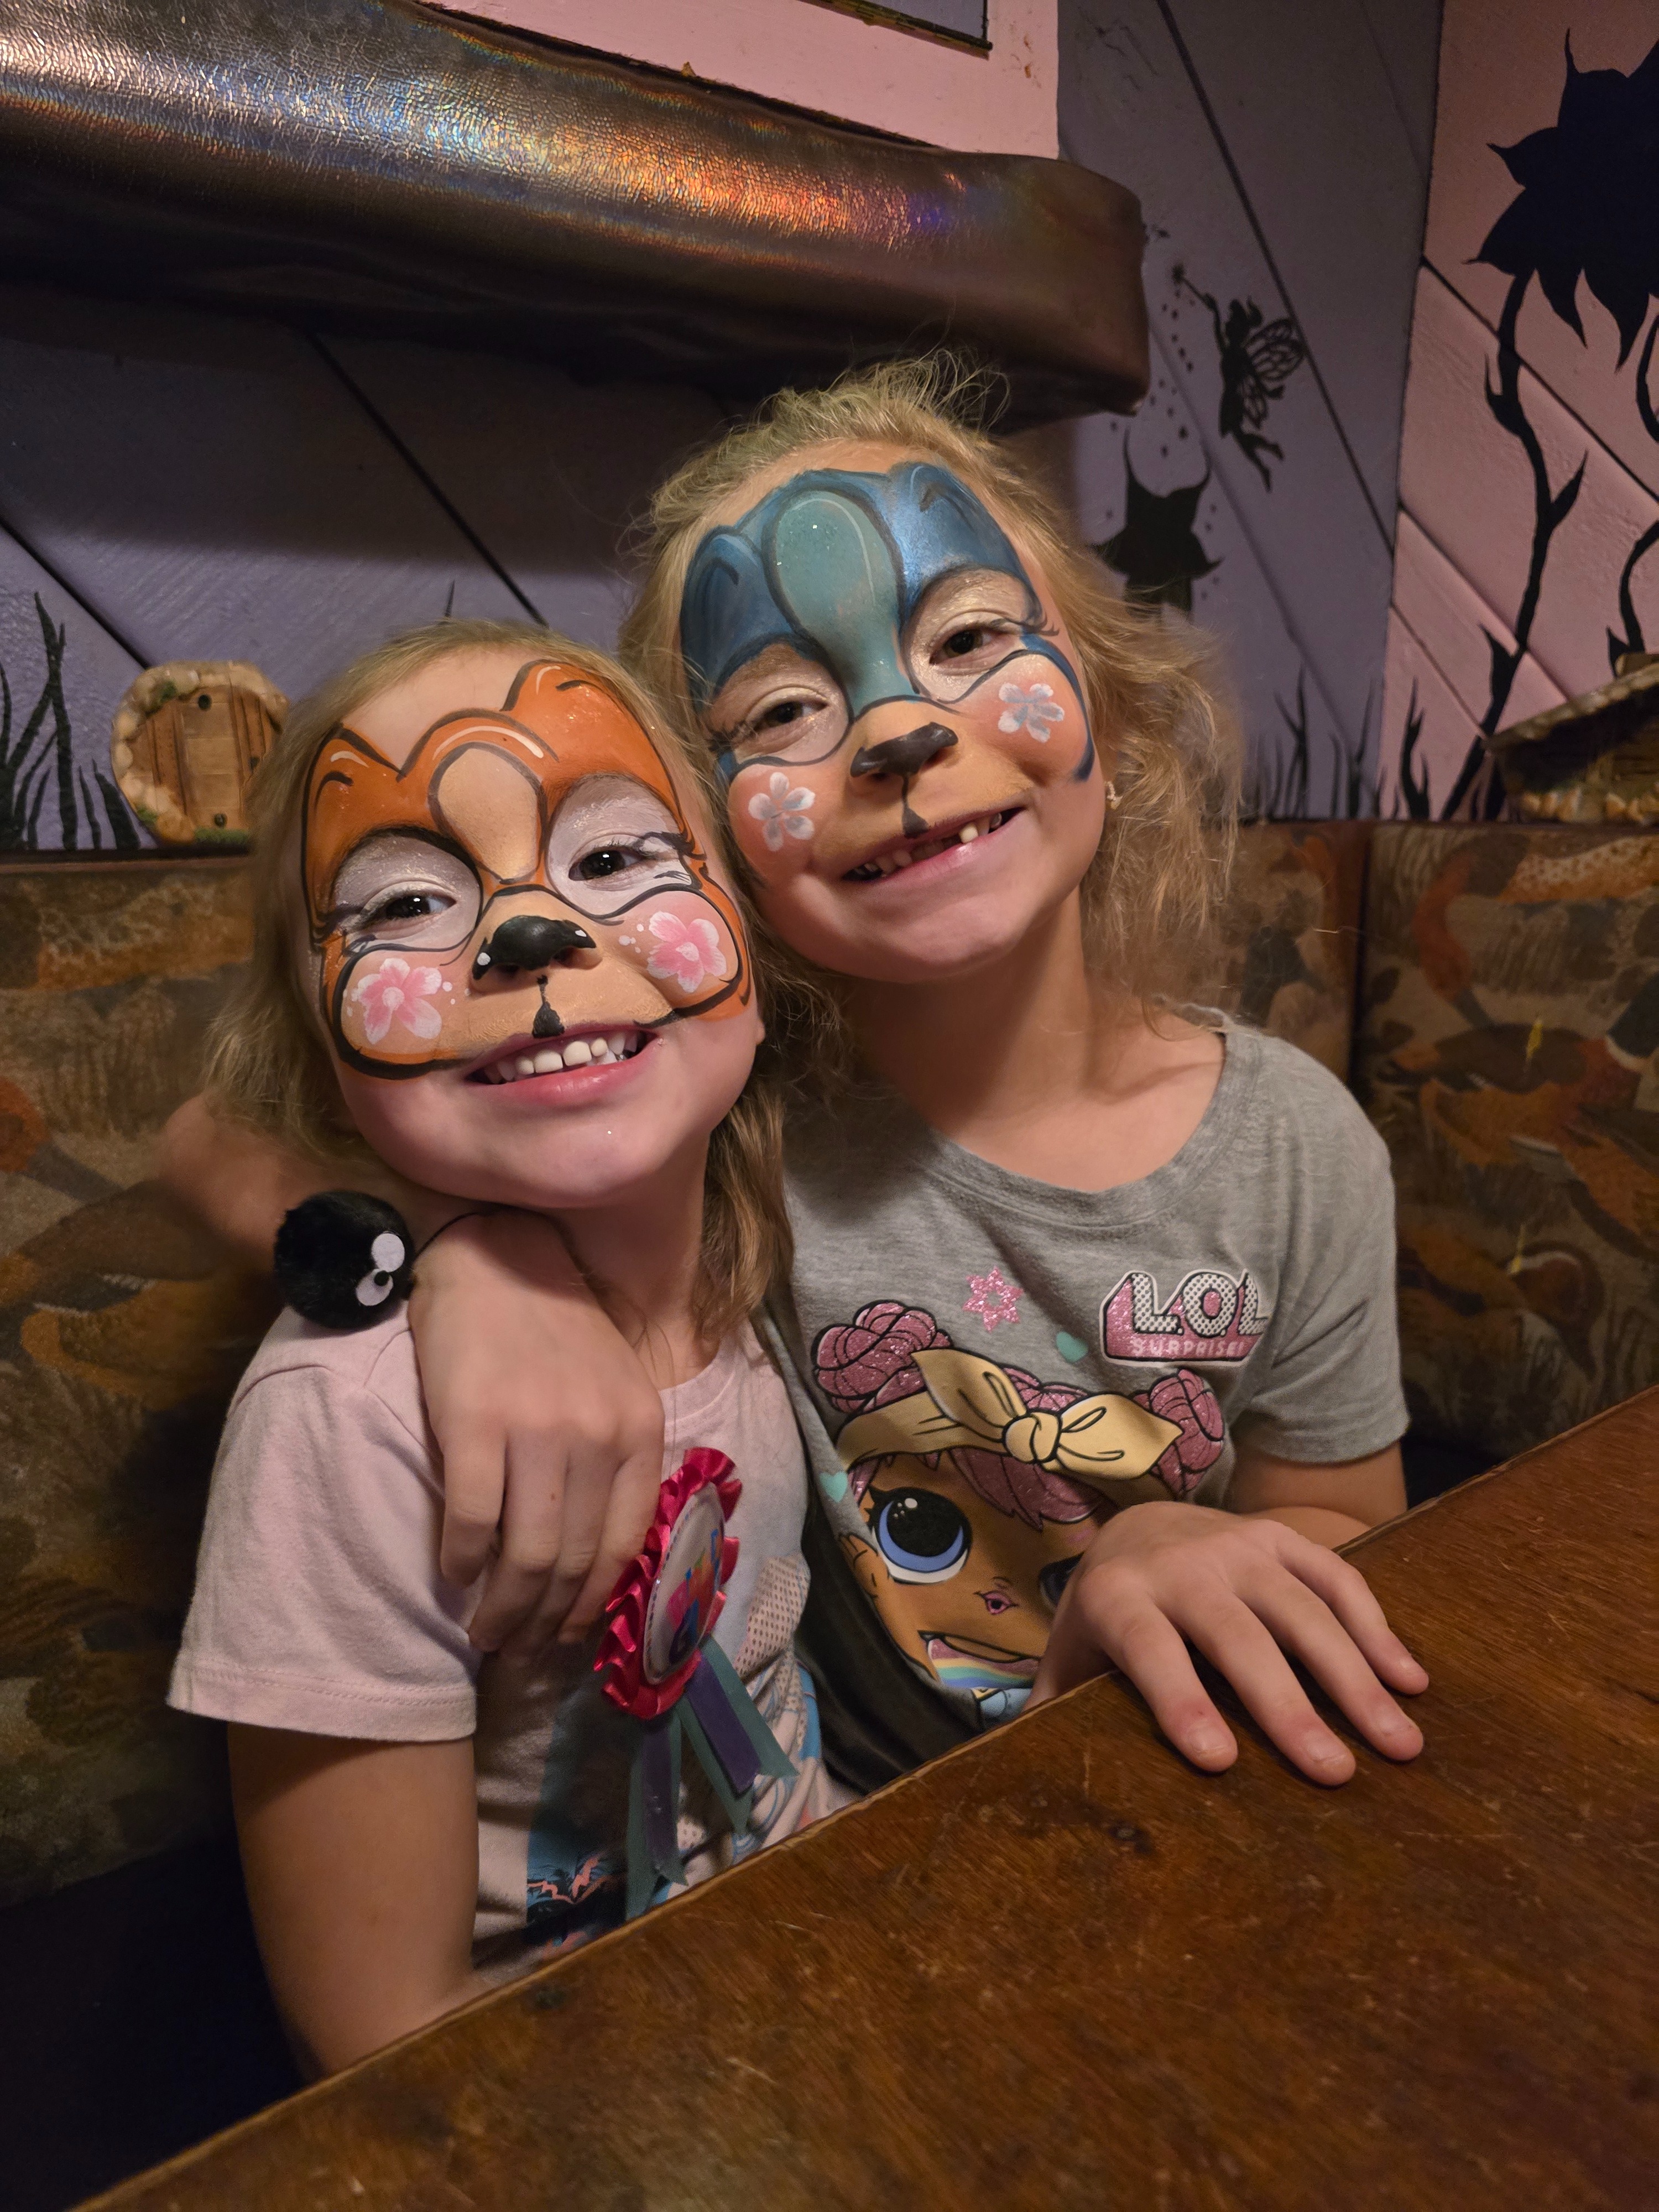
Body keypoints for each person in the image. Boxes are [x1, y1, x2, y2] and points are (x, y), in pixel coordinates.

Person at [165, 358, 1427, 1805]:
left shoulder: (1295, 1147)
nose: (896, 732)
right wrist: (474, 1259)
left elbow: (1349, 1525)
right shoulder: (718, 1124)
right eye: (777, 712)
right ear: (705, 842)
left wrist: (1170, 1549)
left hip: (1183, 1791)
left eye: (968, 635)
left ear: (1118, 713)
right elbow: (209, 1138)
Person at [166, 620, 842, 2076]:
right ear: (317, 1049)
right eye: (409, 900)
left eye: (615, 856)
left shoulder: (762, 1239)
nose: (530, 935)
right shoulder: (348, 1418)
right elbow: (382, 2035)